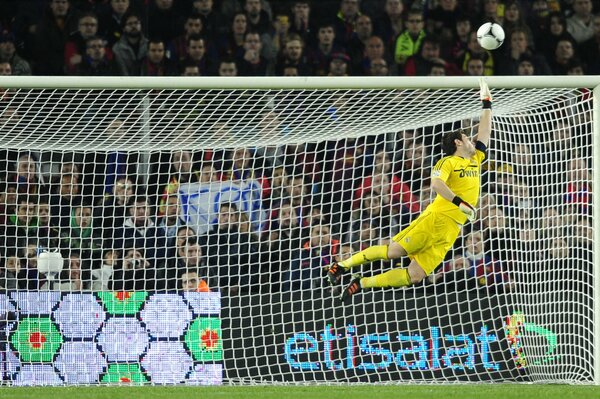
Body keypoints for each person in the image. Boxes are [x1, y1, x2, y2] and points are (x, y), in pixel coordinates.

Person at [328, 79, 493, 302]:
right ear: (458, 143)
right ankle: (341, 266)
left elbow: (484, 134)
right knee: (393, 252)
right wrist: (460, 203)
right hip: (435, 219)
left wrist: (486, 104)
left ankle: (362, 283)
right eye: (466, 137)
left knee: (414, 276)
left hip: (451, 230)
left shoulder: (475, 160)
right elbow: (436, 185)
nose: (472, 140)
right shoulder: (446, 163)